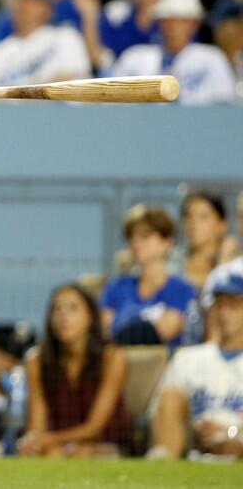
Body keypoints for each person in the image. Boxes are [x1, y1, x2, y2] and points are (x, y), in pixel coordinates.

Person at [18, 284, 130, 457]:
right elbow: (37, 424)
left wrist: (51, 439)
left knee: (79, 453)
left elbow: (95, 427)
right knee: (50, 453)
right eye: (57, 309)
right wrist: (34, 441)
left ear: (91, 316)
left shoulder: (112, 358)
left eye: (73, 308)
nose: (63, 316)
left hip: (105, 445)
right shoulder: (36, 361)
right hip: (56, 446)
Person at [149, 265, 243, 460]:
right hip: (193, 444)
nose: (225, 313)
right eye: (220, 305)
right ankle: (163, 471)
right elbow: (162, 412)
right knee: (171, 396)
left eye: (234, 306)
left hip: (238, 447)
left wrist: (231, 432)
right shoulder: (188, 358)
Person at [111, 0, 236, 105]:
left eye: (180, 21)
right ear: (159, 23)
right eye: (167, 20)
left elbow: (225, 104)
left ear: (194, 25)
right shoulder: (134, 58)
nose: (172, 27)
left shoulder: (211, 59)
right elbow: (111, 101)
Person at [101, 205, 198, 348]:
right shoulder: (116, 287)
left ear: (166, 241)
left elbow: (167, 330)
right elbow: (104, 331)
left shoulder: (182, 289)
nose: (136, 243)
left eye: (145, 236)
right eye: (131, 237)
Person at [178, 192, 236, 291]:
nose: (194, 223)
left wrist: (223, 264)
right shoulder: (171, 260)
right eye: (189, 216)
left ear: (222, 225)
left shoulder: (234, 264)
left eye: (203, 217)